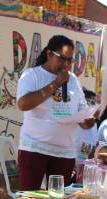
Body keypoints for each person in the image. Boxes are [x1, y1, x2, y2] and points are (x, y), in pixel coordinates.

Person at [16, 35, 94, 189]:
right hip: (35, 147)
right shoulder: (32, 75)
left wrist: (87, 121)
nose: (65, 64)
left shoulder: (73, 80)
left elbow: (81, 110)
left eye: (69, 60)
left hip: (64, 151)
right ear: (49, 54)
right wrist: (56, 83)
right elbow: (23, 104)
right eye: (62, 59)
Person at [74, 89, 99, 183]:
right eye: (92, 103)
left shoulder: (94, 123)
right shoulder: (75, 119)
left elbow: (94, 146)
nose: (95, 107)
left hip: (83, 169)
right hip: (69, 165)